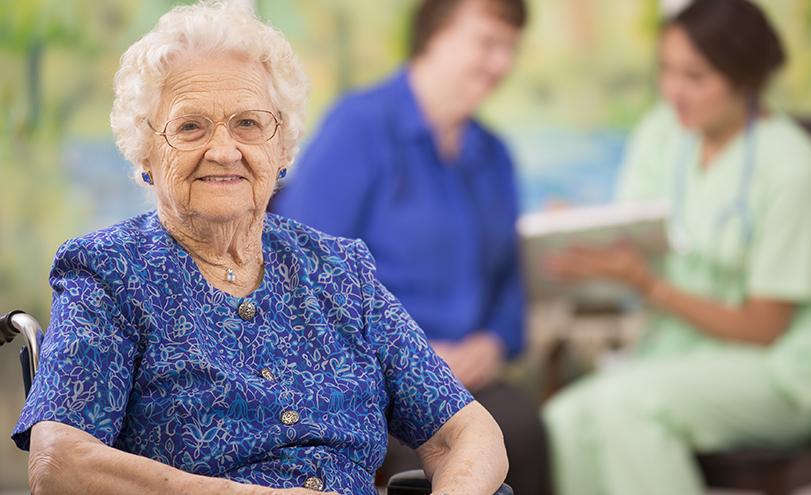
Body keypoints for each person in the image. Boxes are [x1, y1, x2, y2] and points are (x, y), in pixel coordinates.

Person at [11, 3, 509, 494]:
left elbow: (465, 433)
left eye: (248, 124)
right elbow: (59, 462)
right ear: (145, 152)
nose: (224, 150)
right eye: (190, 127)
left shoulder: (339, 271)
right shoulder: (108, 273)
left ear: (283, 148)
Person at [542, 0, 811, 494]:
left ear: (744, 79)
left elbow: (765, 327)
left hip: (782, 370)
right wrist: (580, 235)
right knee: (562, 422)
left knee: (624, 406)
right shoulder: (662, 136)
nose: (674, 92)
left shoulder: (796, 173)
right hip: (684, 353)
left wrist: (648, 284)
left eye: (696, 77)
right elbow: (632, 235)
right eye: (666, 72)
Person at [270, 0, 547, 493]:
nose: (501, 63)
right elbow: (298, 275)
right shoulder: (358, 129)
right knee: (428, 450)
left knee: (523, 427)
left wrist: (493, 343)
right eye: (487, 43)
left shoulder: (494, 155)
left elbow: (508, 286)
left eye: (510, 48)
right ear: (433, 37)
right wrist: (411, 358)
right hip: (375, 379)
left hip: (472, 379)